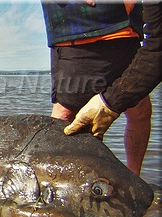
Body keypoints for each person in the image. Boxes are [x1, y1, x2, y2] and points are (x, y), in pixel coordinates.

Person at [41, 0, 153, 176]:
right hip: (80, 31)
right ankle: (52, 182)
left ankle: (133, 179)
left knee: (140, 111)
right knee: (65, 118)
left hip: (128, 31)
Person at [64, 2, 161, 144]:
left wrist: (109, 104)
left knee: (140, 110)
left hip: (125, 33)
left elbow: (157, 48)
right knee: (65, 113)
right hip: (72, 33)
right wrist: (109, 103)